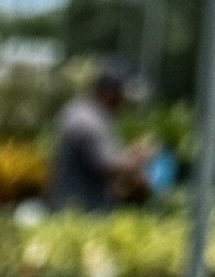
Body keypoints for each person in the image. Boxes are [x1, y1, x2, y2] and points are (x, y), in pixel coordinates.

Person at [48, 60, 154, 211]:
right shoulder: (86, 120)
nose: (123, 104)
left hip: (77, 207)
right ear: (110, 93)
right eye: (121, 97)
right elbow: (108, 165)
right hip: (78, 211)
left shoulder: (85, 111)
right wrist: (138, 156)